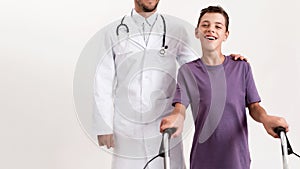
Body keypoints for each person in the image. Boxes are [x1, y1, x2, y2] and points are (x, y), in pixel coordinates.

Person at [93, 1, 246, 169]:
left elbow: (198, 68)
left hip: (165, 123)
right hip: (128, 127)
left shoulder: (176, 30)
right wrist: (103, 125)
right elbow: (103, 80)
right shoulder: (113, 32)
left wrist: (226, 63)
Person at [160, 5, 289, 169]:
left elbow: (254, 107)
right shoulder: (188, 71)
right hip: (202, 160)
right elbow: (180, 108)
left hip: (236, 159)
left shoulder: (241, 67)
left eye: (218, 26)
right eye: (205, 25)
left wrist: (266, 119)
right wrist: (175, 120)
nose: (211, 30)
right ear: (197, 32)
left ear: (225, 35)